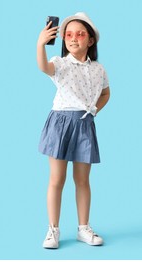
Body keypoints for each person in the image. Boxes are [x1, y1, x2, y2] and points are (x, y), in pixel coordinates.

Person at [37, 12, 110, 249]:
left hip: (85, 123)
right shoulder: (60, 64)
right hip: (60, 123)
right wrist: (40, 43)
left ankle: (83, 228)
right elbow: (43, 67)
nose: (73, 38)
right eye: (68, 34)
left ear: (90, 40)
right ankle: (53, 230)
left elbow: (106, 93)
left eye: (80, 34)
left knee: (83, 180)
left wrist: (94, 110)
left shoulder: (99, 69)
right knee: (57, 179)